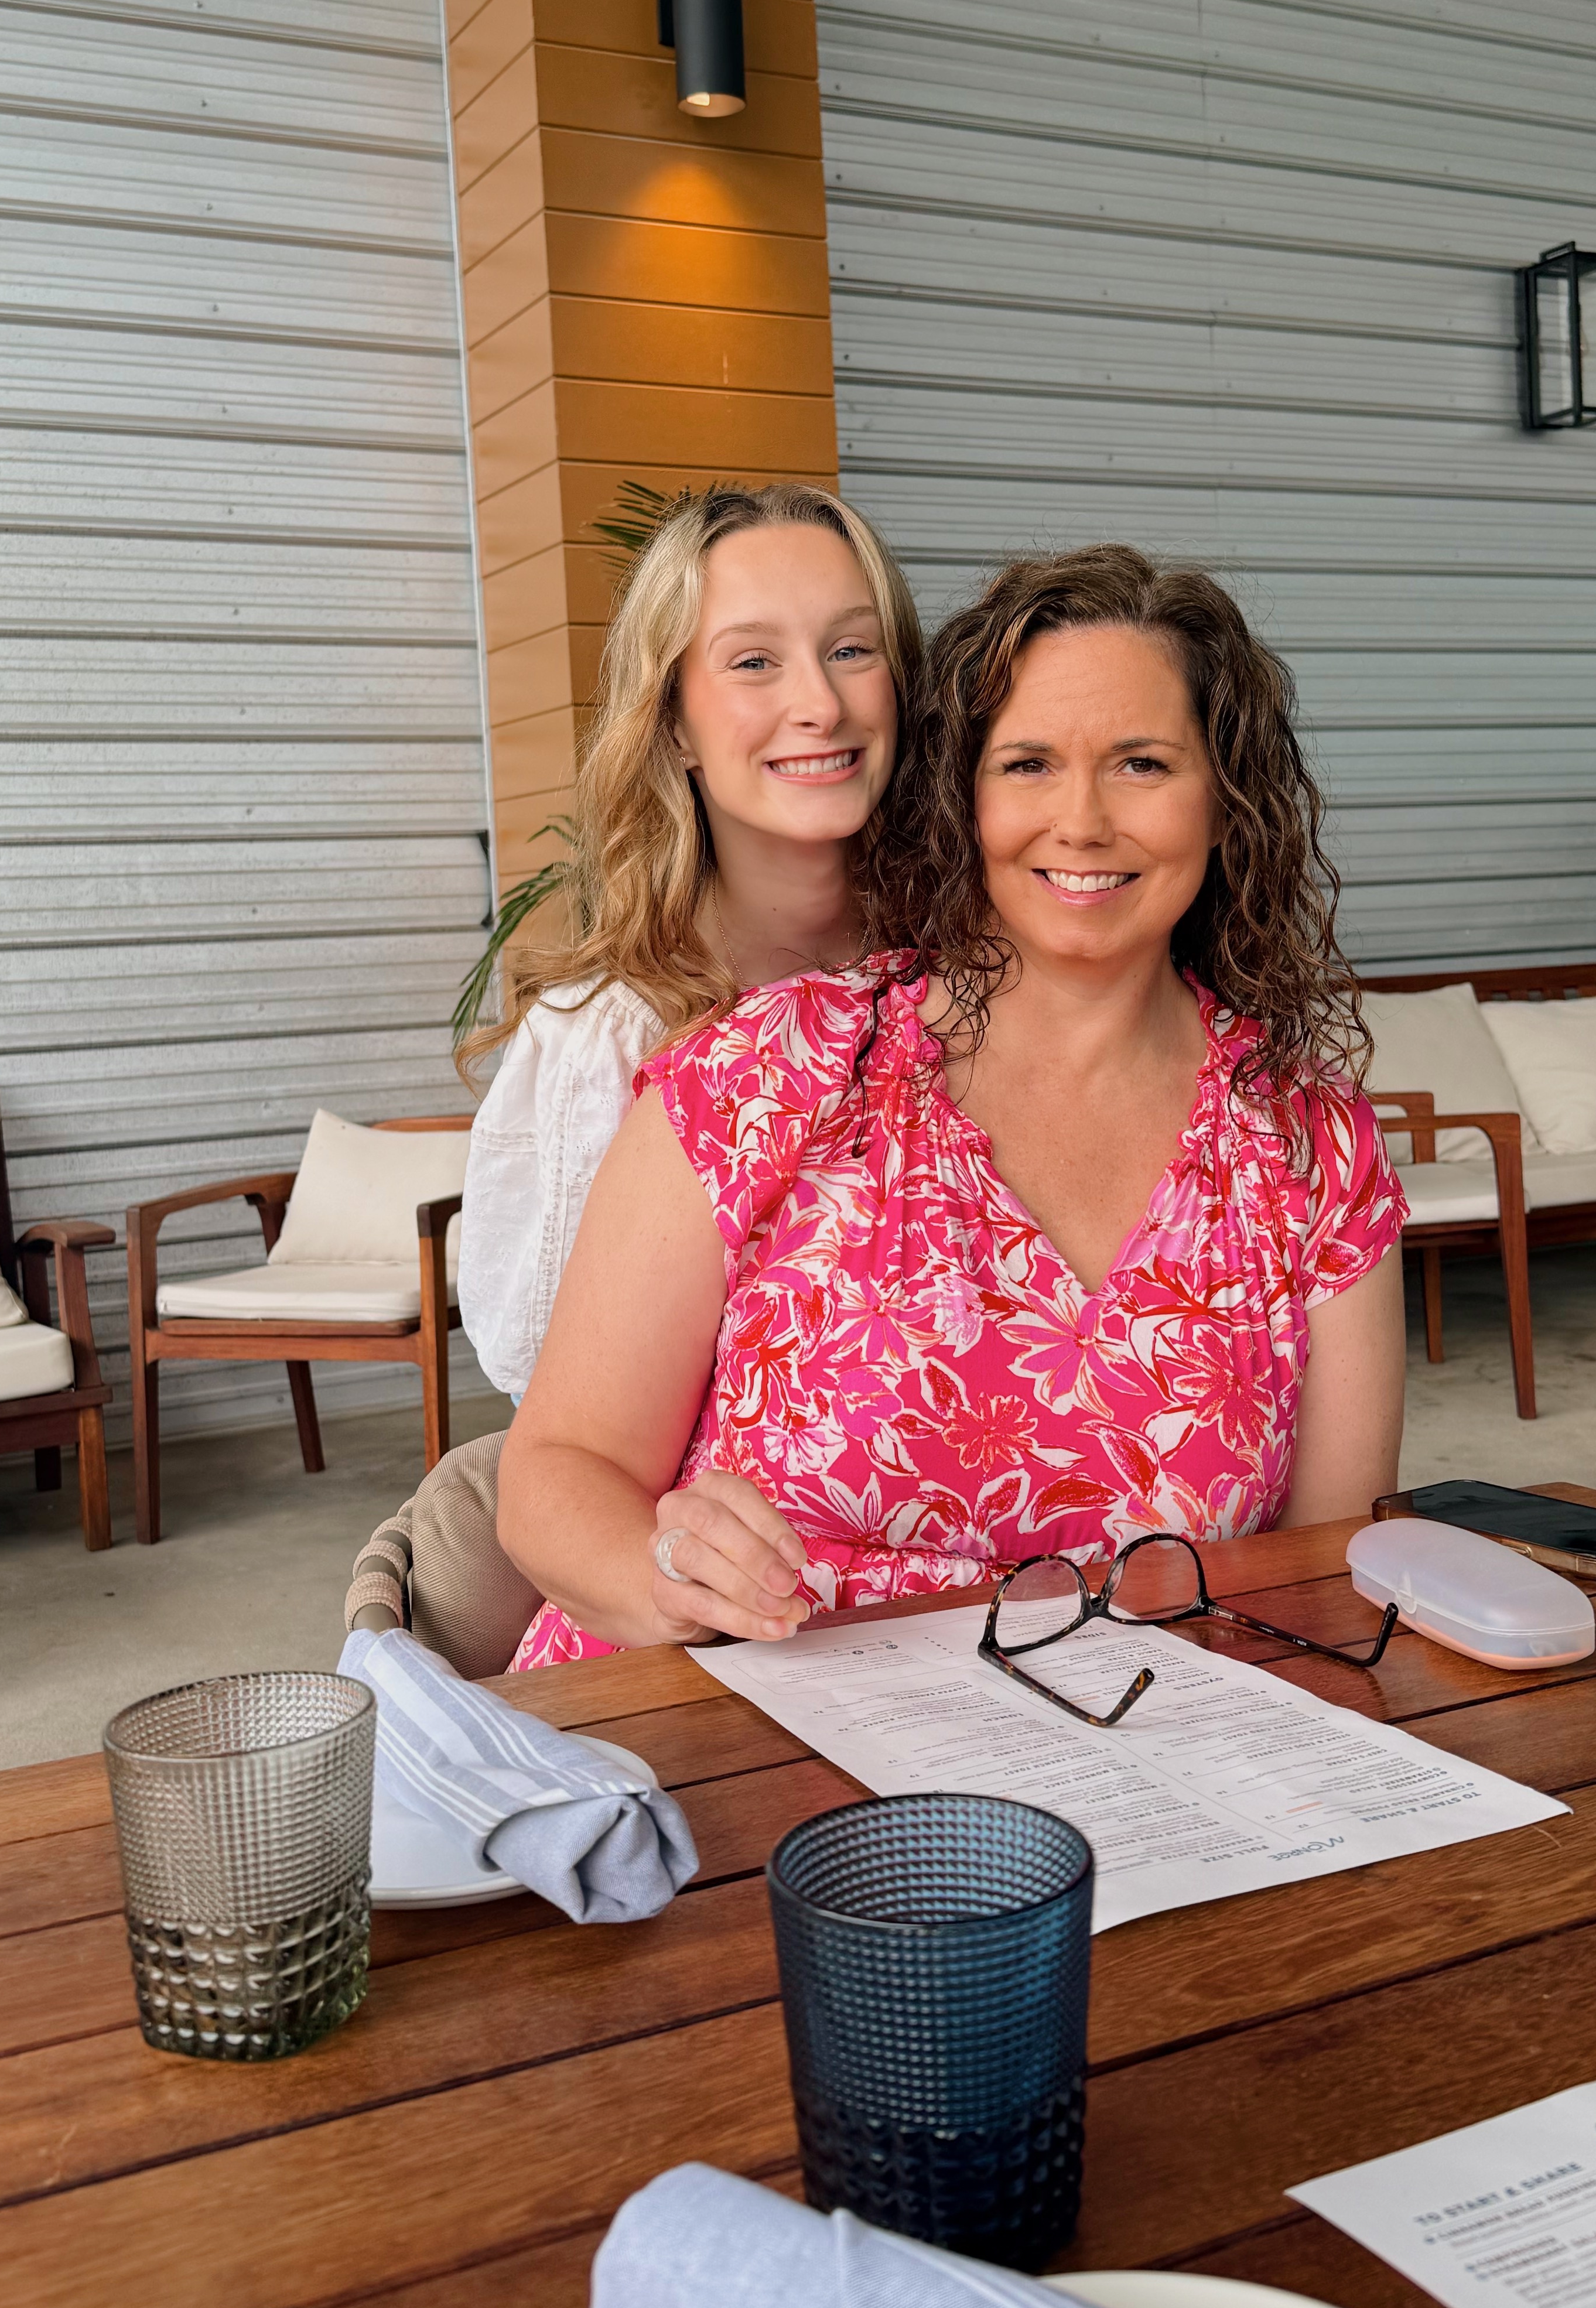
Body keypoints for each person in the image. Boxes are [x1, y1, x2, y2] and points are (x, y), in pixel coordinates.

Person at [499, 544, 1406, 1662]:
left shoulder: (1310, 1144)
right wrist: (668, 1578)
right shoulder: (769, 1071)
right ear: (961, 799)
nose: (1082, 820)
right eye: (1027, 764)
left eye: (1142, 764)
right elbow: (557, 1473)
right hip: (721, 1708)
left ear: (1227, 805)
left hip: (1125, 1737)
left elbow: (1321, 1577)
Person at [345, 480, 924, 1668]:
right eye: (753, 662)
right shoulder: (606, 1037)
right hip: (719, 1608)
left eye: (851, 649)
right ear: (674, 723)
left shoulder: (978, 976)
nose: (818, 703)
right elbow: (563, 1421)